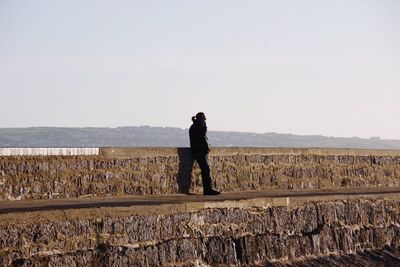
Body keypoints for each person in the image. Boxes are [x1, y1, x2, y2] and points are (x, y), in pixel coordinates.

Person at [189, 112, 220, 195]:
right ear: (200, 119)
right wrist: (204, 126)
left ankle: (208, 189)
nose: (205, 121)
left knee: (206, 170)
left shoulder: (195, 126)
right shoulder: (198, 127)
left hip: (200, 151)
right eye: (203, 119)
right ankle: (207, 189)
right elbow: (202, 137)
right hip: (199, 151)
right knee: (206, 170)